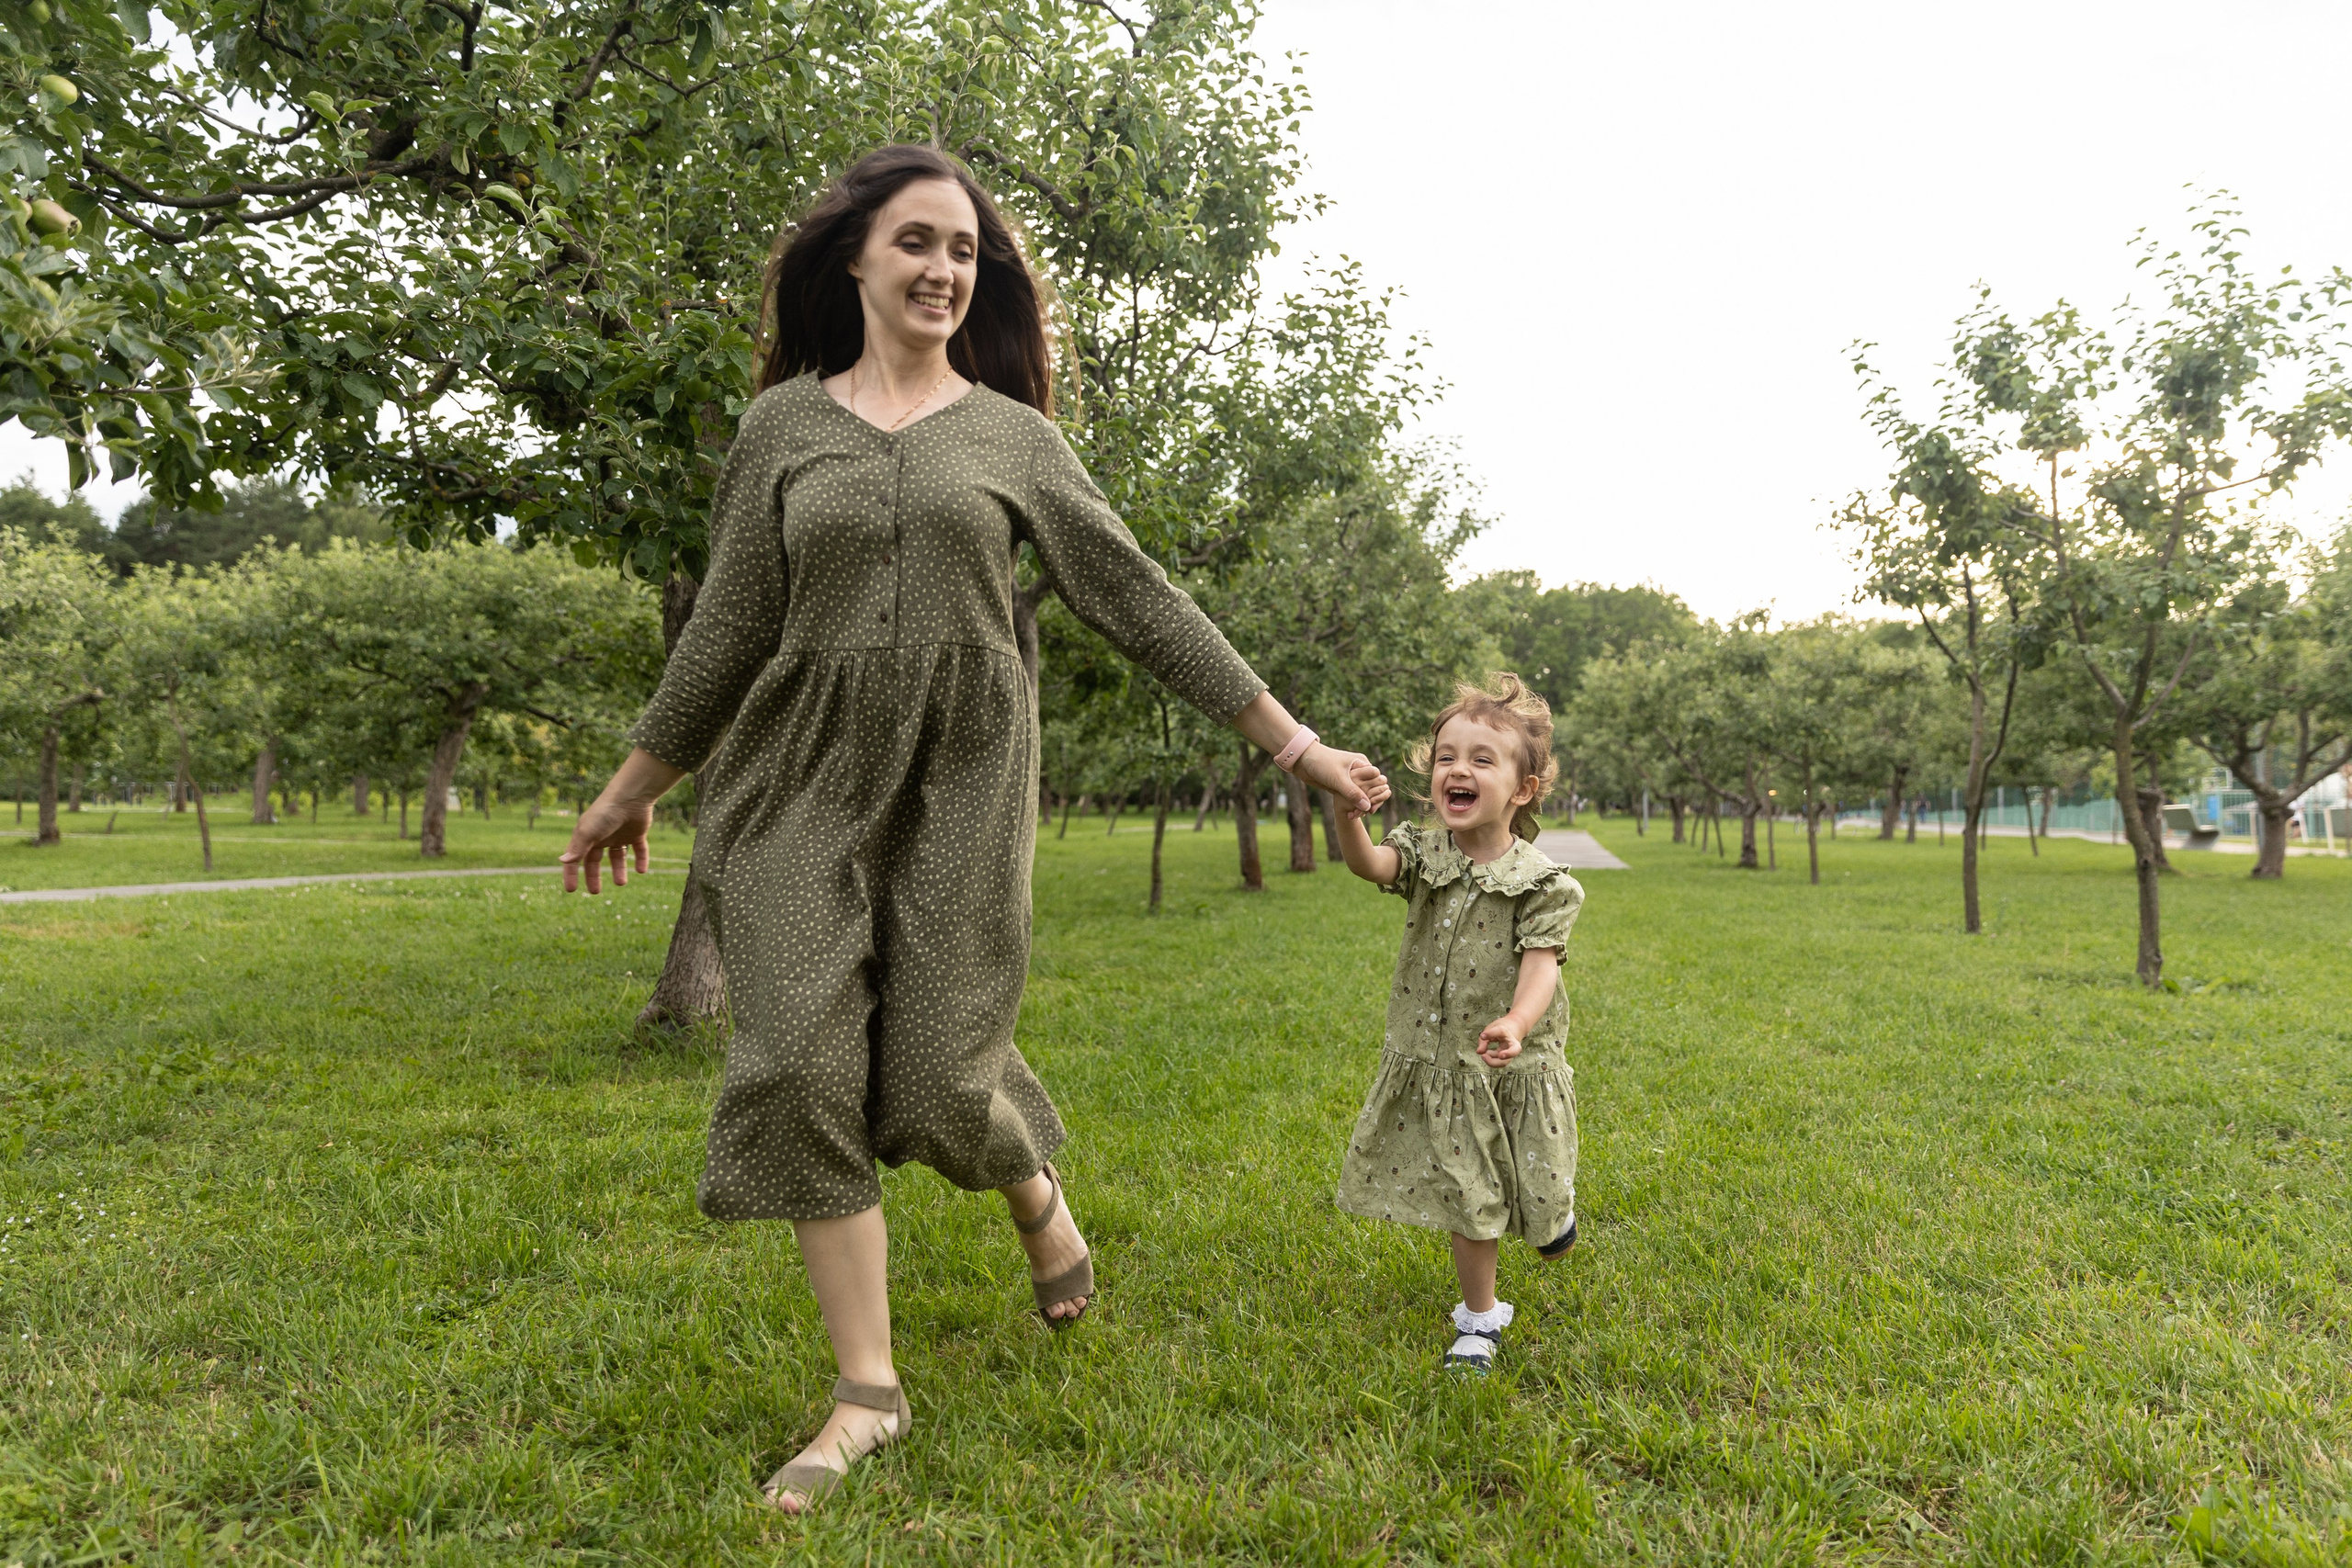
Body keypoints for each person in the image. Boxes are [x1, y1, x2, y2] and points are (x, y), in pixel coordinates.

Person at [556, 144, 1392, 1511]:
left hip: (961, 784)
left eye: (967, 252)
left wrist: (1296, 747)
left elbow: (1143, 599)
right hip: (791, 787)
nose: (947, 269)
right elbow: (727, 625)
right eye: (919, 243)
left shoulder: (1013, 439)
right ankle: (866, 1390)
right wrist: (633, 784)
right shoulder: (780, 429)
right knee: (796, 1064)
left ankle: (1034, 1194)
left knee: (943, 1074)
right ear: (856, 262)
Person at [1328, 673, 1584, 1374]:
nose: (1457, 769)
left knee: (1537, 1175)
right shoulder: (1422, 852)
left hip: (1514, 1059)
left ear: (1522, 788)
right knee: (1473, 1195)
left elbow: (1542, 963)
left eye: (1481, 758)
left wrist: (1518, 1019)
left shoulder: (1545, 881)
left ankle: (1553, 1213)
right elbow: (1369, 864)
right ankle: (1479, 1320)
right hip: (1445, 1058)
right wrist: (1350, 815)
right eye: (1446, 756)